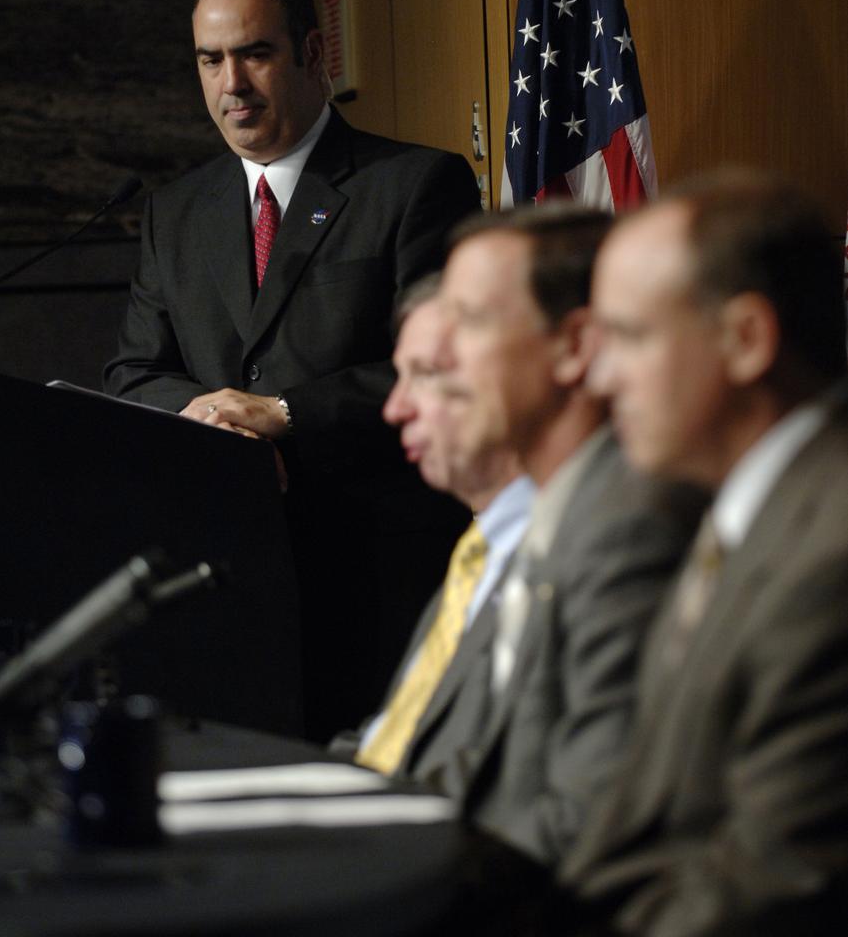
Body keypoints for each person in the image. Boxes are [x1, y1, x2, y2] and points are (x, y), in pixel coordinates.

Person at [103, 0, 480, 740]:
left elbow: (444, 368)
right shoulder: (175, 213)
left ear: (314, 54)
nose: (230, 83)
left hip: (375, 573)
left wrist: (281, 413)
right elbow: (135, 373)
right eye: (211, 61)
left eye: (255, 54)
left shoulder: (413, 185)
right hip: (225, 580)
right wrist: (209, 420)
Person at [559, 168, 848, 936]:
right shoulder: (729, 509)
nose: (596, 376)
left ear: (744, 338)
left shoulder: (830, 559)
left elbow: (771, 882)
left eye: (627, 337)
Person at [375, 205, 701, 870]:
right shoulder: (564, 510)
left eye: (467, 324)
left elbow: (585, 821)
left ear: (573, 347)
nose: (444, 356)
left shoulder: (625, 526)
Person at [332, 278, 533, 771]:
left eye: (425, 374)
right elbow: (396, 732)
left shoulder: (588, 542)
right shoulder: (476, 550)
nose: (395, 408)